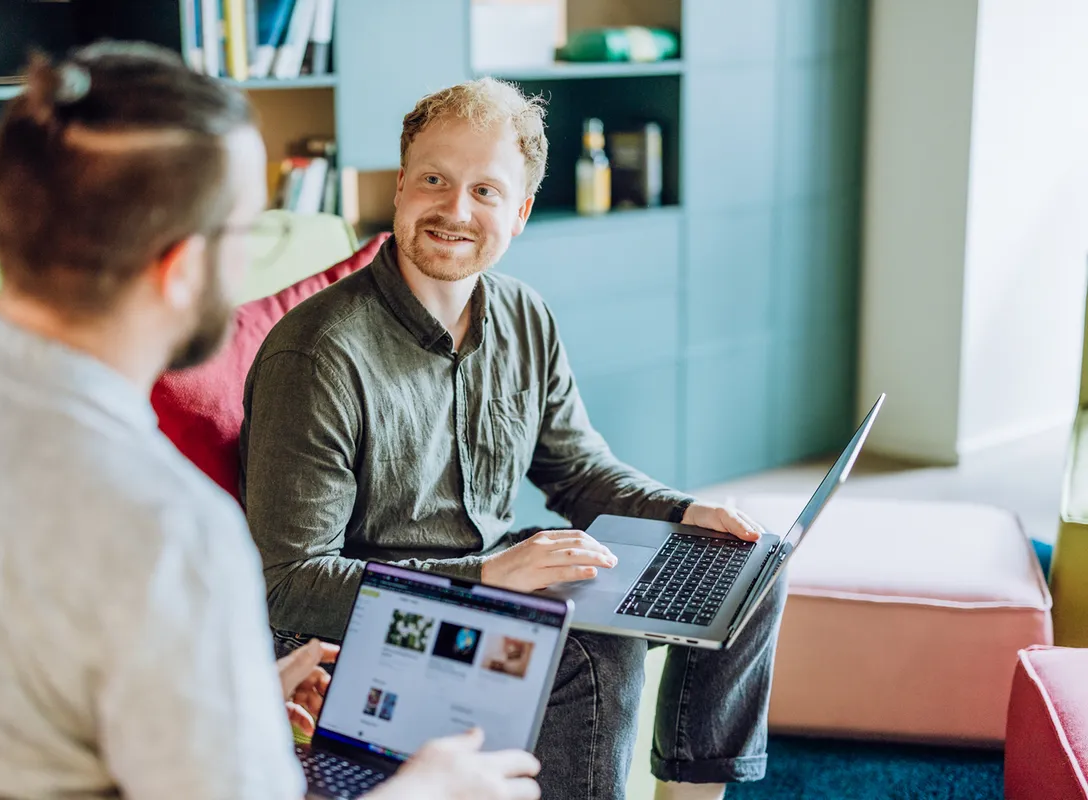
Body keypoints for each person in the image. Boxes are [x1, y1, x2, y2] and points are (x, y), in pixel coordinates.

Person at [0, 44, 539, 800]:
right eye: (242, 233)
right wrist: (429, 789)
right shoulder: (172, 531)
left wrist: (239, 692)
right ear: (182, 268)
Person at [240, 78, 788, 800]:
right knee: (595, 652)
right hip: (372, 628)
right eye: (434, 179)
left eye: (486, 191)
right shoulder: (318, 355)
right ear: (401, 186)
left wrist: (685, 516)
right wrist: (487, 582)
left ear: (521, 210)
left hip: (494, 580)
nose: (454, 210)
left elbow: (579, 472)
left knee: (747, 564)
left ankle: (689, 794)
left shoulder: (524, 316)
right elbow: (288, 587)